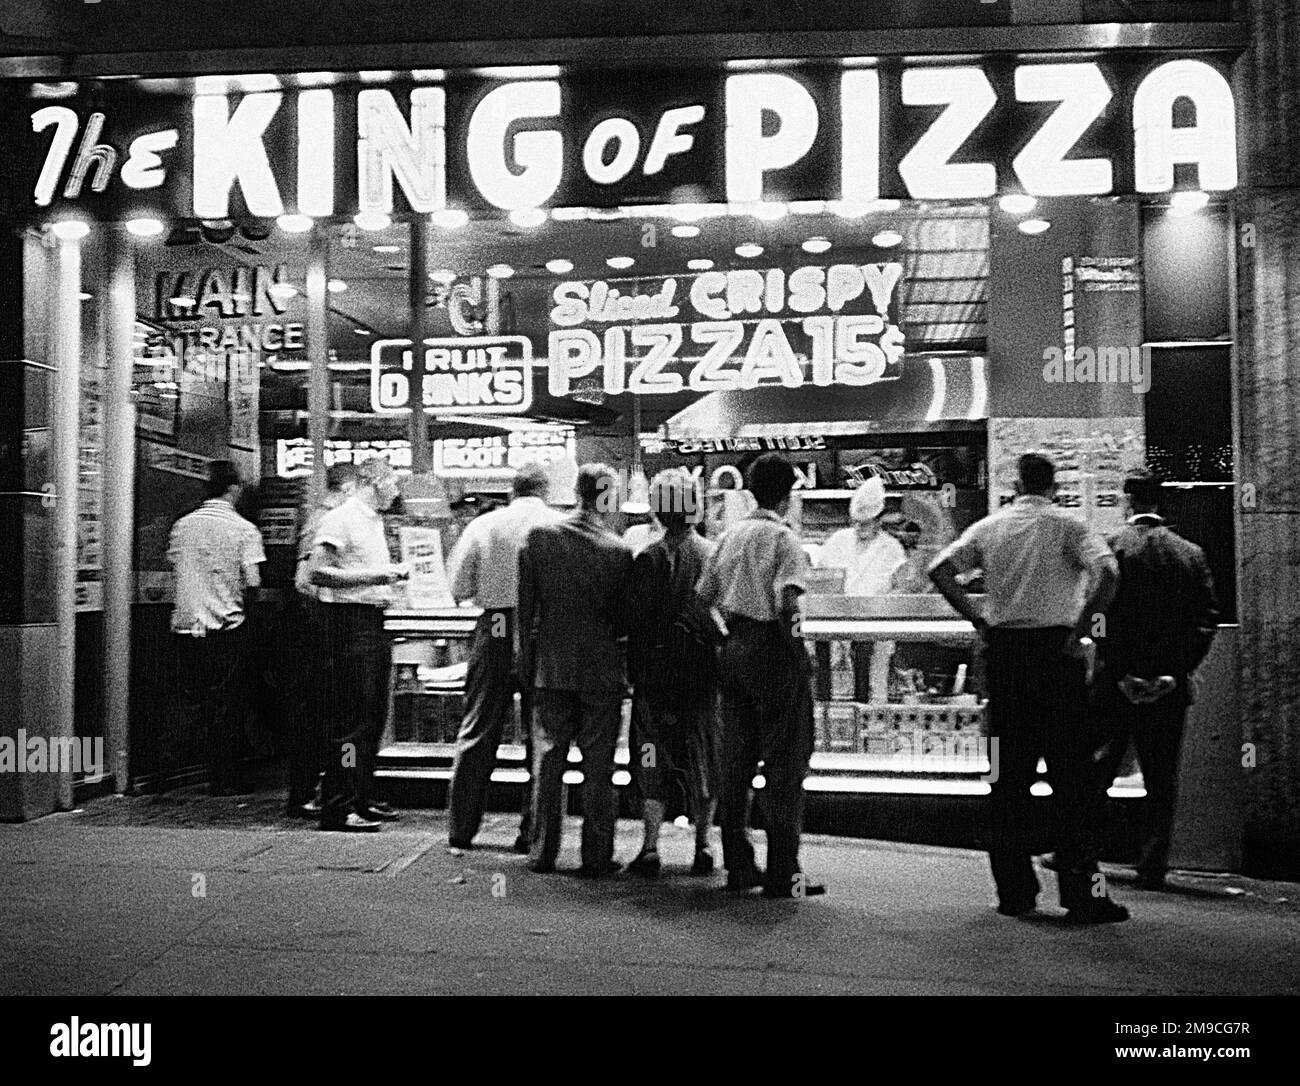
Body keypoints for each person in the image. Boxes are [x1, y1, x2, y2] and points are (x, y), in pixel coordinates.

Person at [929, 452, 1126, 923]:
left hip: (1005, 659)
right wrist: (1084, 629)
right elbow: (1110, 573)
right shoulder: (1069, 526)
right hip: (1057, 660)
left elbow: (940, 571)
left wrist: (978, 617)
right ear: (1054, 485)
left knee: (1006, 778)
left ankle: (1014, 893)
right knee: (1071, 780)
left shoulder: (990, 528)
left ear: (1016, 485)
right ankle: (1082, 895)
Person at [697, 453, 824, 900]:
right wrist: (799, 652)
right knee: (784, 765)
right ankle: (783, 872)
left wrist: (727, 636)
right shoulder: (784, 541)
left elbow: (701, 602)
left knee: (735, 763)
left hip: (735, 650)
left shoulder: (728, 538)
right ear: (788, 492)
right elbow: (789, 602)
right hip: (773, 650)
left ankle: (738, 865)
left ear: (750, 490)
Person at [1092, 469, 1219, 890]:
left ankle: (1081, 850)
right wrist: (1173, 672)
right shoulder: (1190, 554)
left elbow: (1100, 618)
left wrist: (1120, 669)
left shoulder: (1111, 550)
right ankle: (1152, 864)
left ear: (1128, 500)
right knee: (1161, 777)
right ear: (1160, 502)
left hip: (1117, 684)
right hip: (1168, 685)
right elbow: (1205, 620)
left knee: (1098, 769)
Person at [518, 463, 634, 876]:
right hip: (602, 671)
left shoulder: (539, 539)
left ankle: (543, 851)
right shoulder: (619, 551)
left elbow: (525, 610)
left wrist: (525, 662)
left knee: (549, 760)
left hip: (551, 667)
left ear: (576, 490)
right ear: (606, 497)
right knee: (598, 765)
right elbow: (624, 622)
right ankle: (596, 855)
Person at [444, 463, 564, 854]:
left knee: (479, 726)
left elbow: (458, 586)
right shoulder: (559, 525)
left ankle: (462, 829)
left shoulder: (484, 525)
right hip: (542, 629)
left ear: (513, 490)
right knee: (541, 734)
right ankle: (534, 832)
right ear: (545, 491)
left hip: (496, 624)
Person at [626, 469, 720, 877]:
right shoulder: (713, 554)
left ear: (658, 510)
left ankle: (650, 847)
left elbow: (635, 624)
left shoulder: (648, 558)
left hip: (656, 679)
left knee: (652, 757)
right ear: (695, 507)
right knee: (702, 756)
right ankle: (703, 845)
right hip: (702, 676)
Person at [308, 456, 408, 832]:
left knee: (372, 718)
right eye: (393, 481)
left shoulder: (373, 521)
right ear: (375, 481)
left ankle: (361, 797)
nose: (396, 490)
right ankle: (337, 805)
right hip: (350, 626)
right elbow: (318, 571)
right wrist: (380, 575)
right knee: (353, 720)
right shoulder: (341, 518)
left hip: (371, 623)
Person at [167, 460, 266, 796]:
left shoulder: (182, 526)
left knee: (197, 704)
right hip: (226, 629)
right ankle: (226, 779)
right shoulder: (244, 530)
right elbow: (252, 583)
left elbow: (176, 570)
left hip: (185, 628)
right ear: (234, 489)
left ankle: (180, 772)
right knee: (228, 705)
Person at [286, 462, 358, 818]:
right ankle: (302, 793)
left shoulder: (323, 517)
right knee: (316, 713)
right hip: (317, 628)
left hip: (317, 627)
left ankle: (320, 789)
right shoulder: (326, 520)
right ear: (347, 488)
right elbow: (305, 578)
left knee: (323, 713)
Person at [818, 476, 904, 702]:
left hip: (877, 627)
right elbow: (821, 579)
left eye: (865, 523)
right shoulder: (837, 541)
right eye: (855, 522)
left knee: (874, 689)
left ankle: (873, 731)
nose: (859, 527)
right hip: (838, 628)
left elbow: (900, 589)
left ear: (879, 520)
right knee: (837, 692)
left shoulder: (892, 548)